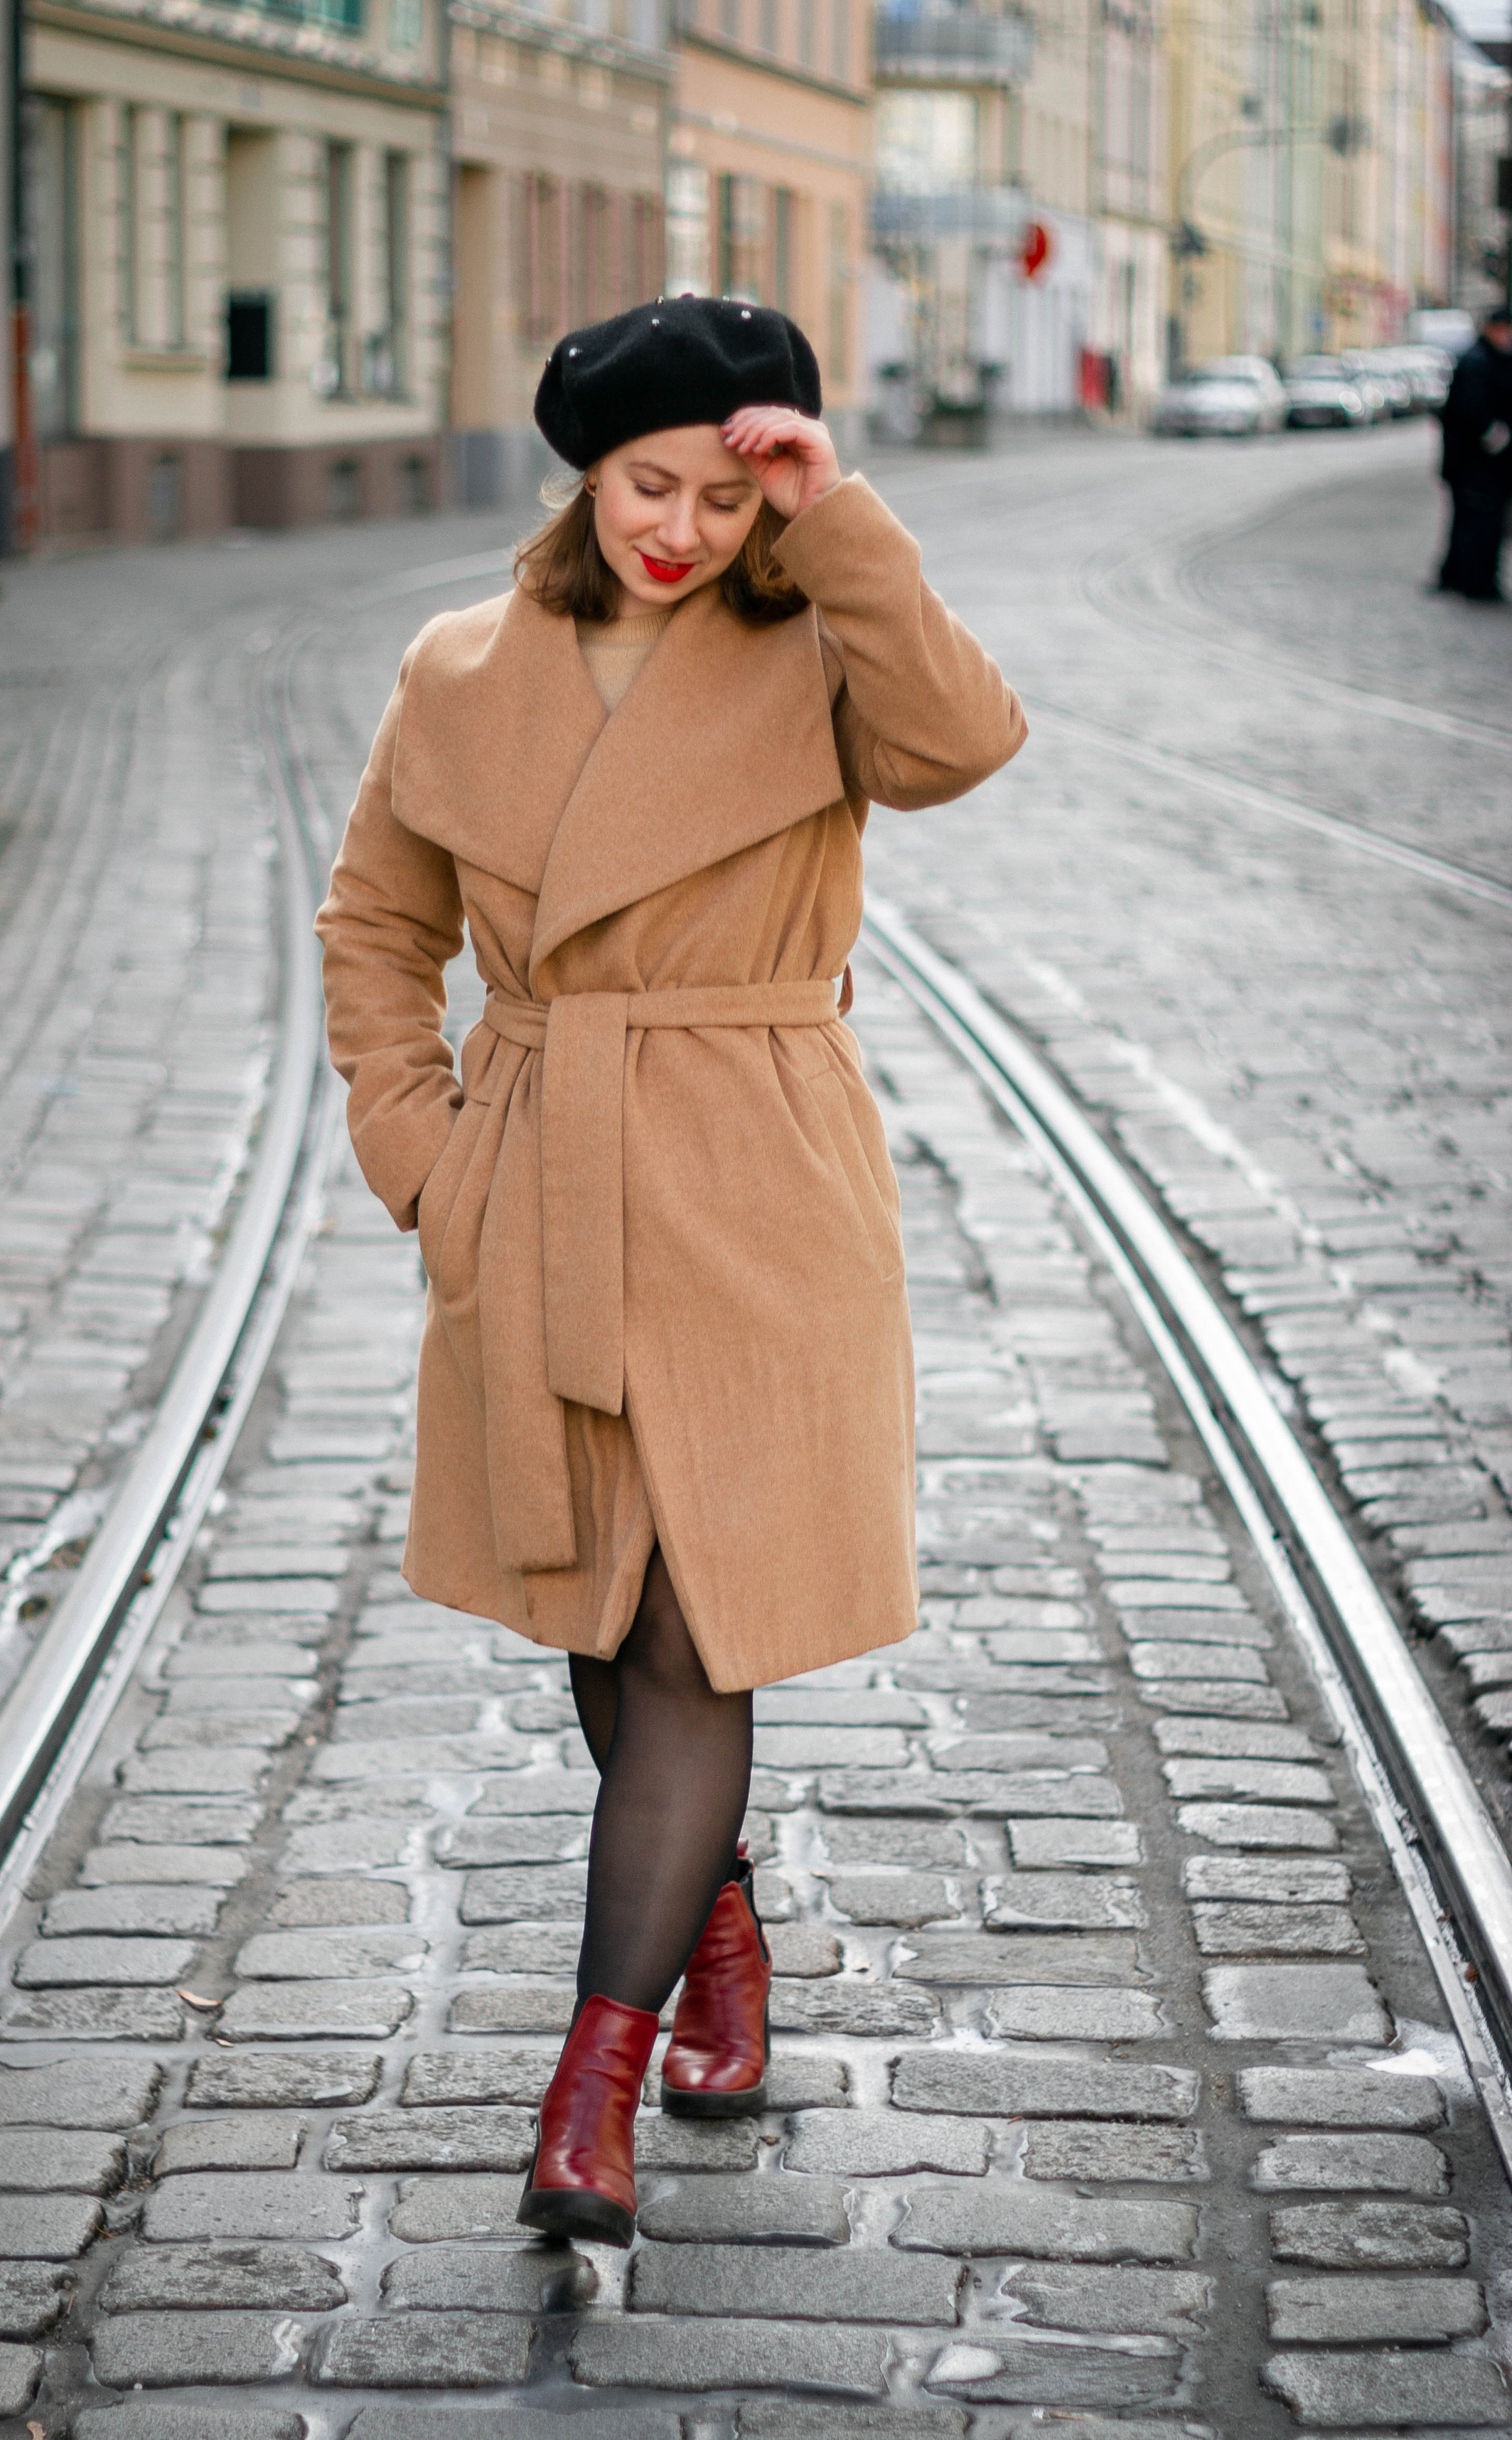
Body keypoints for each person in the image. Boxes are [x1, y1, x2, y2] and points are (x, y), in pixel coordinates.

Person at [316, 294, 1025, 2247]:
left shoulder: (822, 654)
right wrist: (426, 1160)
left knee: (690, 1636)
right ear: (583, 478)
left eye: (729, 492)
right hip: (540, 1174)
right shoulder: (464, 668)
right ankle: (718, 1942)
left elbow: (968, 741)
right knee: (598, 1611)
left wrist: (840, 519)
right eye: (651, 486)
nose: (683, 529)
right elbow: (376, 931)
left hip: (756, 1180)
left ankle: (589, 2089)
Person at [1435, 302, 1512, 603]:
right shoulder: (1481, 362)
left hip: (1471, 464)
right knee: (1480, 522)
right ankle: (1475, 581)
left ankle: (1456, 575)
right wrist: (1499, 439)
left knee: (1466, 521)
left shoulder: (1481, 358)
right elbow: (1472, 414)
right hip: (1479, 465)